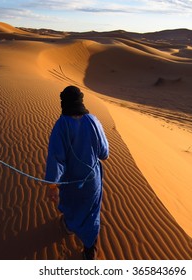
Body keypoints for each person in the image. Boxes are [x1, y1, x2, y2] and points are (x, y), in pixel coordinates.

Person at [45, 85, 109, 260]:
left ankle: (68, 227)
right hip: (92, 182)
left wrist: (52, 186)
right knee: (91, 214)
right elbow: (104, 153)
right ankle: (90, 250)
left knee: (72, 206)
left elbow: (56, 159)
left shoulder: (61, 126)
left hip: (70, 182)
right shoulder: (93, 121)